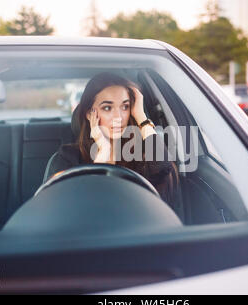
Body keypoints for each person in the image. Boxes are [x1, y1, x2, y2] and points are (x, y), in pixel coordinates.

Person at [44, 72, 178, 208]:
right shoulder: (67, 158)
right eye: (107, 108)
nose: (118, 117)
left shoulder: (139, 155)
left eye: (125, 107)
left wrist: (141, 118)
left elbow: (163, 169)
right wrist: (103, 154)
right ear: (89, 114)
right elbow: (66, 210)